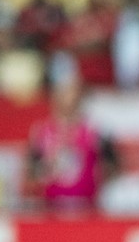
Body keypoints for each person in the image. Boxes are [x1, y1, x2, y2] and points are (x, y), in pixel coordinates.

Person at [25, 76, 118, 211]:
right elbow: (31, 171)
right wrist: (46, 169)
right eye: (63, 93)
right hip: (50, 207)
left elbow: (113, 165)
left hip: (87, 207)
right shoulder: (42, 132)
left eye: (72, 93)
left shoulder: (95, 130)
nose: (68, 99)